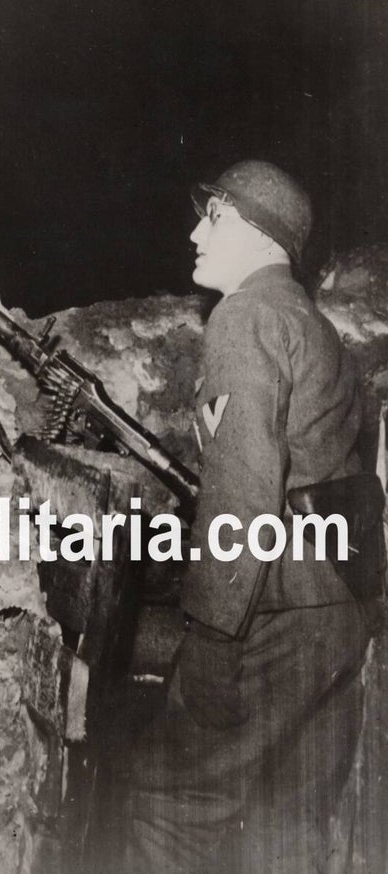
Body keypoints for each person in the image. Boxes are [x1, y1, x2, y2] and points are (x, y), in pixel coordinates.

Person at [124, 161, 382, 873]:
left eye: (214, 218)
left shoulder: (246, 316)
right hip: (336, 606)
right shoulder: (311, 324)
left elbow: (243, 490)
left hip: (274, 608)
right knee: (286, 825)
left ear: (262, 234)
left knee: (171, 804)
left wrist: (211, 634)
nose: (193, 232)